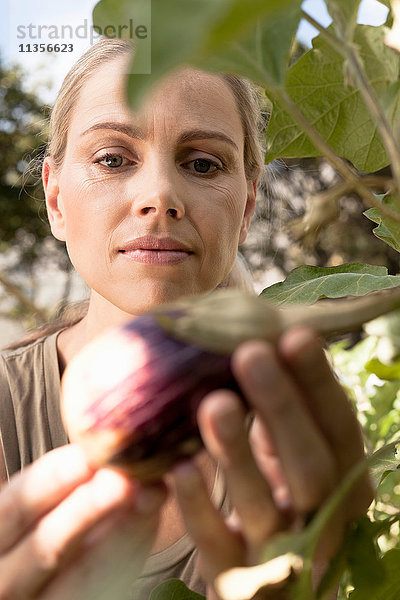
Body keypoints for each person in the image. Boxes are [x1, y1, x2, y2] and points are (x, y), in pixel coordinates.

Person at [0, 37, 372, 600]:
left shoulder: (294, 416)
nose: (160, 195)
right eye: (112, 159)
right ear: (55, 200)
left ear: (246, 208)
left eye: (202, 163)